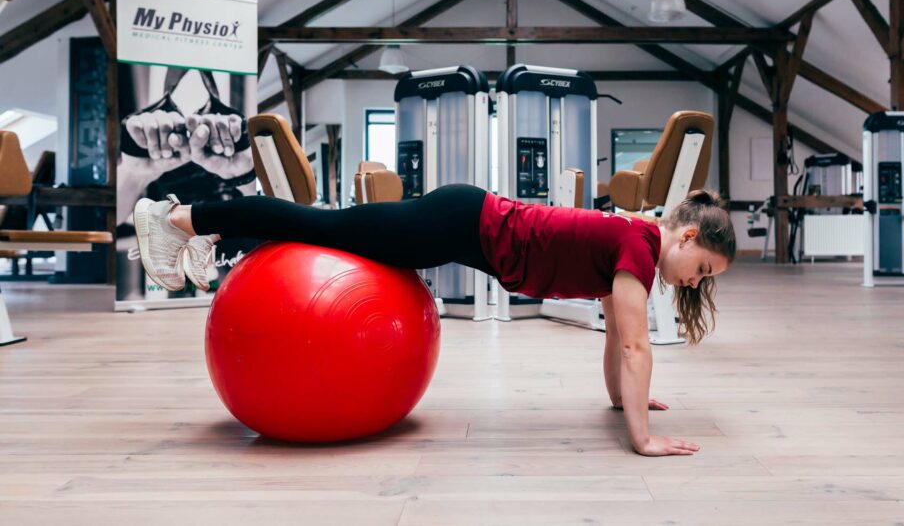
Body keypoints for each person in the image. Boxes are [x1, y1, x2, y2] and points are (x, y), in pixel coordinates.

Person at [132, 184, 735, 457]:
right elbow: (634, 347)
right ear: (686, 235)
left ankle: (186, 220)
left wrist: (622, 403)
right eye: (704, 268)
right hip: (458, 222)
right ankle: (178, 217)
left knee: (328, 228)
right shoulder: (639, 247)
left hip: (461, 221)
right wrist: (641, 438)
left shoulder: (631, 245)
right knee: (321, 227)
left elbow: (613, 336)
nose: (697, 282)